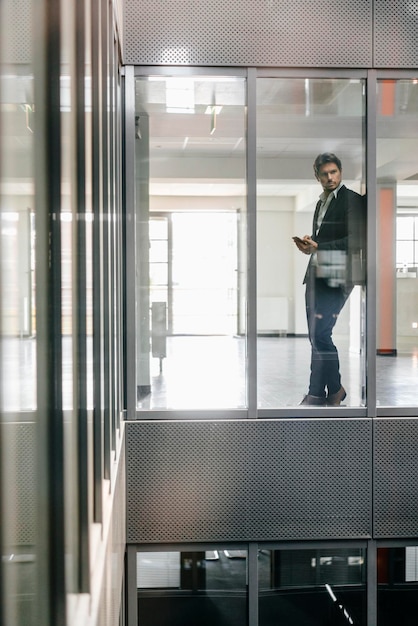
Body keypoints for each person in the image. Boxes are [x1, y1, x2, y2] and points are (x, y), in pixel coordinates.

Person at [293, 153, 366, 406]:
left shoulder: (352, 201)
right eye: (324, 174)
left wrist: (319, 246)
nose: (330, 177)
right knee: (316, 335)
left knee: (321, 334)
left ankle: (326, 391)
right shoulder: (320, 202)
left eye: (333, 172)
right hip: (316, 273)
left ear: (341, 172)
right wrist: (310, 245)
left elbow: (356, 240)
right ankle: (322, 392)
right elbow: (322, 239)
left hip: (338, 275)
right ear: (317, 177)